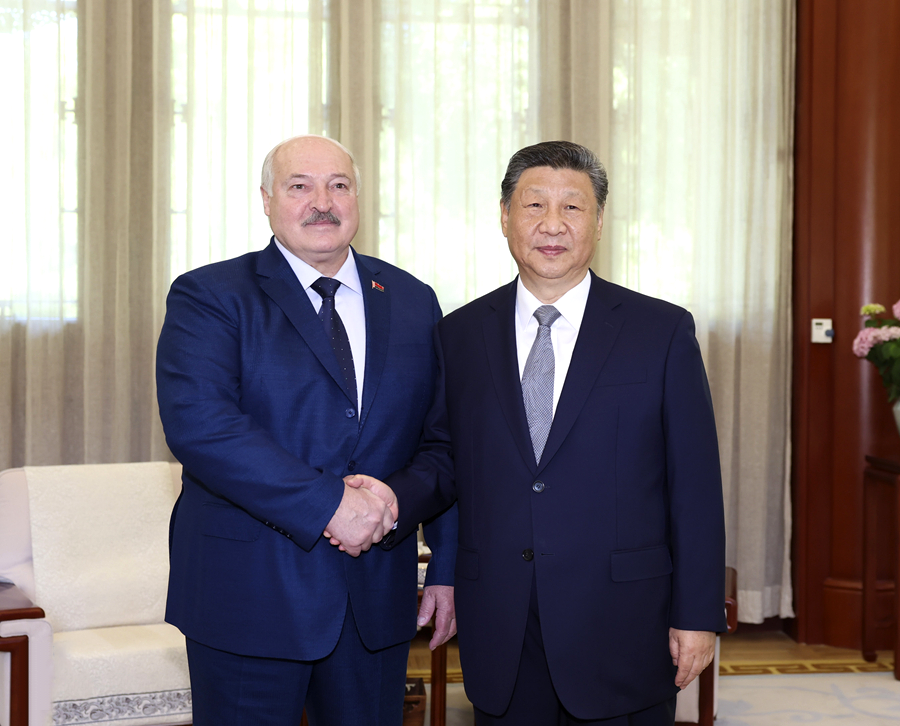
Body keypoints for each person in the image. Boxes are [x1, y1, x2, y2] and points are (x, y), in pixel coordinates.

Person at [347, 140, 726, 725]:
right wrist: (390, 499)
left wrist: (697, 614)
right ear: (505, 217)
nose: (553, 224)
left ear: (599, 220)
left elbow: (694, 486)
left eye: (572, 207)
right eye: (534, 205)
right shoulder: (459, 334)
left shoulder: (661, 331)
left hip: (622, 619)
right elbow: (446, 458)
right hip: (502, 620)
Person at [156, 134, 457, 726]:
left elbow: (445, 443)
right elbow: (202, 427)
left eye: (338, 185)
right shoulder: (209, 295)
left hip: (375, 598)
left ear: (358, 198)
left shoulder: (414, 300)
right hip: (247, 598)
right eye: (300, 186)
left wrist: (438, 558)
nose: (322, 202)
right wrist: (331, 505)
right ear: (267, 199)